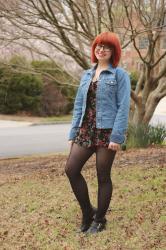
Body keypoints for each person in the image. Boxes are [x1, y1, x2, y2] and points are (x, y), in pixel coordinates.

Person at [65, 31, 131, 234]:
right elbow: (78, 105)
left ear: (113, 51)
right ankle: (88, 213)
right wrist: (73, 133)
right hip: (86, 130)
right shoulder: (86, 74)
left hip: (107, 132)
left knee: (103, 176)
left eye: (106, 47)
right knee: (71, 169)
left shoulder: (120, 75)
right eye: (98, 46)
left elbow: (123, 106)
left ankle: (100, 220)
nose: (101, 49)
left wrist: (117, 137)